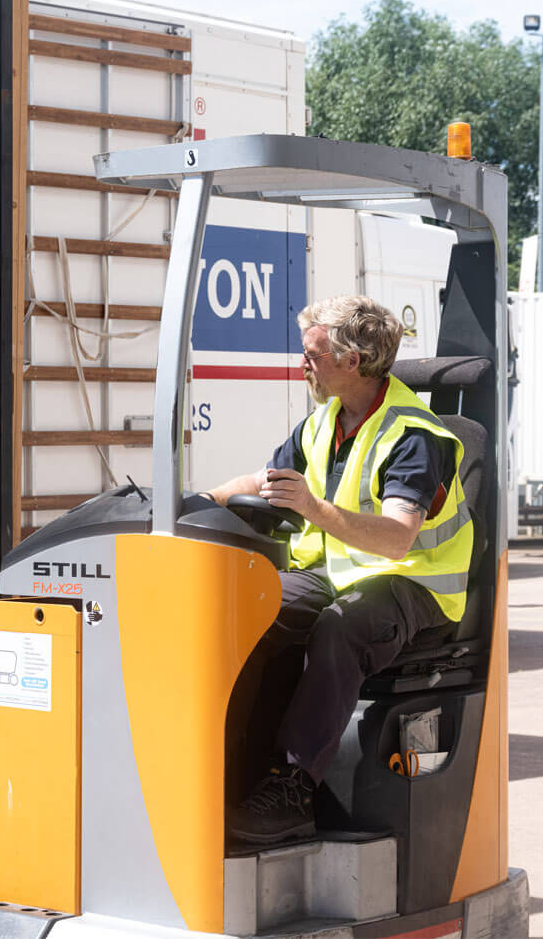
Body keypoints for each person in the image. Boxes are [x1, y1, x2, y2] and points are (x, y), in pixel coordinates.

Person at [205, 295, 472, 845]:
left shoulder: (414, 436)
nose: (302, 364)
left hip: (413, 585)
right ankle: (228, 759)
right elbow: (261, 481)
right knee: (245, 606)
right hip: (342, 572)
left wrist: (311, 507)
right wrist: (194, 504)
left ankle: (293, 783)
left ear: (353, 361)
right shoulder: (324, 421)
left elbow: (398, 539)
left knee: (339, 628)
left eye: (313, 354)